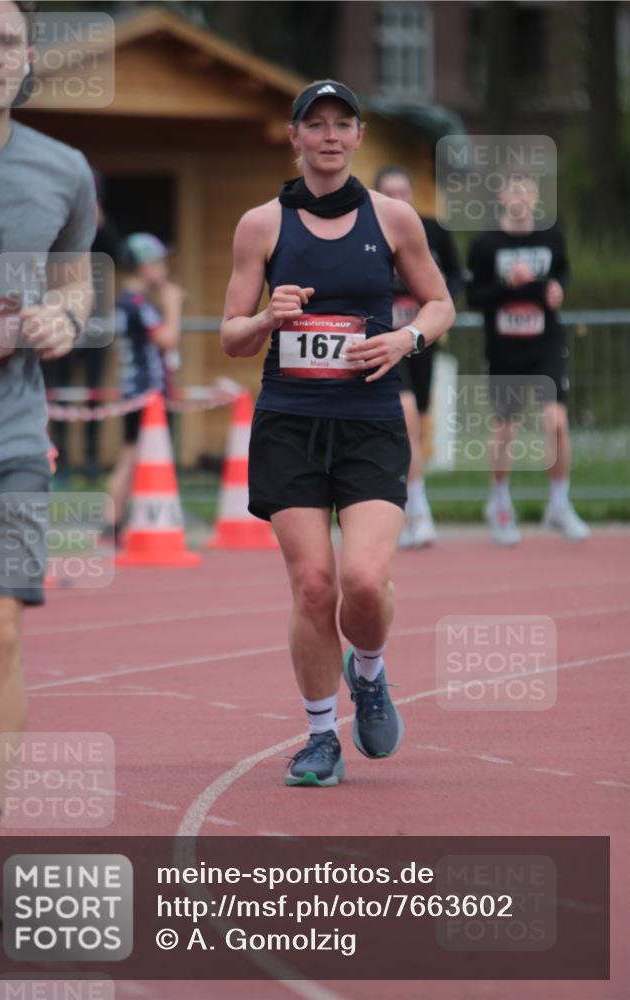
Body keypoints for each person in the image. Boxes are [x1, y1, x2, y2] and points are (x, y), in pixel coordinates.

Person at [221, 80, 454, 787]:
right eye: (313, 124)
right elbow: (230, 334)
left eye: (341, 124)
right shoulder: (260, 225)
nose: (327, 135)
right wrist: (266, 320)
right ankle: (321, 735)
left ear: (357, 137)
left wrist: (404, 340)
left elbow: (441, 303)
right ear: (293, 137)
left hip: (370, 423)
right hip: (290, 422)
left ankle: (371, 672)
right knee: (314, 585)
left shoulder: (392, 219)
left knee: (361, 578)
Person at [0, 0, 96, 927]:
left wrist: (67, 319)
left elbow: (76, 274)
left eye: (7, 40)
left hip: (10, 441)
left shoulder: (64, 170)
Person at [466, 172, 589, 545]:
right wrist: (508, 285)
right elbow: (473, 297)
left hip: (546, 344)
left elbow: (562, 273)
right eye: (513, 189)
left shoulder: (551, 236)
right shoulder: (485, 244)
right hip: (504, 350)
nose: (520, 196)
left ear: (536, 196)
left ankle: (559, 503)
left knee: (556, 421)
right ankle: (500, 503)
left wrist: (557, 290)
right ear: (502, 195)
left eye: (527, 189)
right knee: (506, 430)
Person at [375, 166, 461, 548]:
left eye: (403, 192)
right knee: (406, 413)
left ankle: (412, 500)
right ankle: (415, 508)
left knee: (417, 422)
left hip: (421, 339)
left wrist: (443, 313)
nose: (397, 199)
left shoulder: (433, 230)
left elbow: (455, 278)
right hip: (385, 342)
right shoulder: (367, 231)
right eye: (388, 192)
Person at [41, 169, 124, 479]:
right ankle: (60, 460)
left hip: (97, 324)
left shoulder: (103, 228)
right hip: (61, 320)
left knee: (93, 393)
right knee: (58, 392)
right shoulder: (55, 224)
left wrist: (99, 223)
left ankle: (91, 460)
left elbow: (119, 253)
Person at [102, 233, 184, 542]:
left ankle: (117, 519)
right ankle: (113, 520)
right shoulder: (136, 304)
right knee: (134, 456)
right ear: (143, 266)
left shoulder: (128, 302)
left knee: (134, 455)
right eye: (158, 262)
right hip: (144, 392)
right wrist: (173, 304)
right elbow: (168, 339)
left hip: (138, 390)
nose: (164, 269)